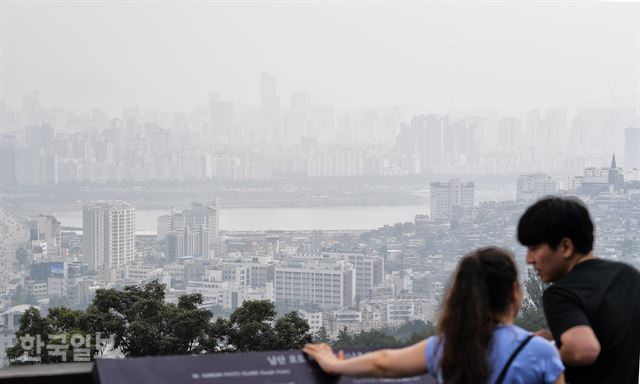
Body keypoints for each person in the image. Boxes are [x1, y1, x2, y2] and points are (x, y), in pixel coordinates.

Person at [304, 247, 564, 384]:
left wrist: (335, 364)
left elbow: (383, 363)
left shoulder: (447, 349)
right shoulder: (542, 353)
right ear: (516, 293)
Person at [517, 196, 640, 384]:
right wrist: (555, 338)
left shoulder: (561, 294)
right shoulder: (629, 277)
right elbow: (610, 331)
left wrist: (543, 353)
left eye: (534, 248)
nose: (529, 259)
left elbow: (585, 350)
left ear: (566, 247)